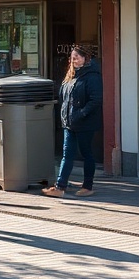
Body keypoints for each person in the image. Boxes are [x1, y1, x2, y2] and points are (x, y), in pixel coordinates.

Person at [42, 45, 102, 198]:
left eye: (77, 57)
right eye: (72, 57)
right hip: (69, 123)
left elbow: (95, 100)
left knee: (86, 154)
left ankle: (87, 186)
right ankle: (60, 187)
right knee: (67, 155)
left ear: (85, 58)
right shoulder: (71, 76)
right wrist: (65, 116)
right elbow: (65, 98)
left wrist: (81, 114)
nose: (73, 60)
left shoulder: (92, 76)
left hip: (85, 123)